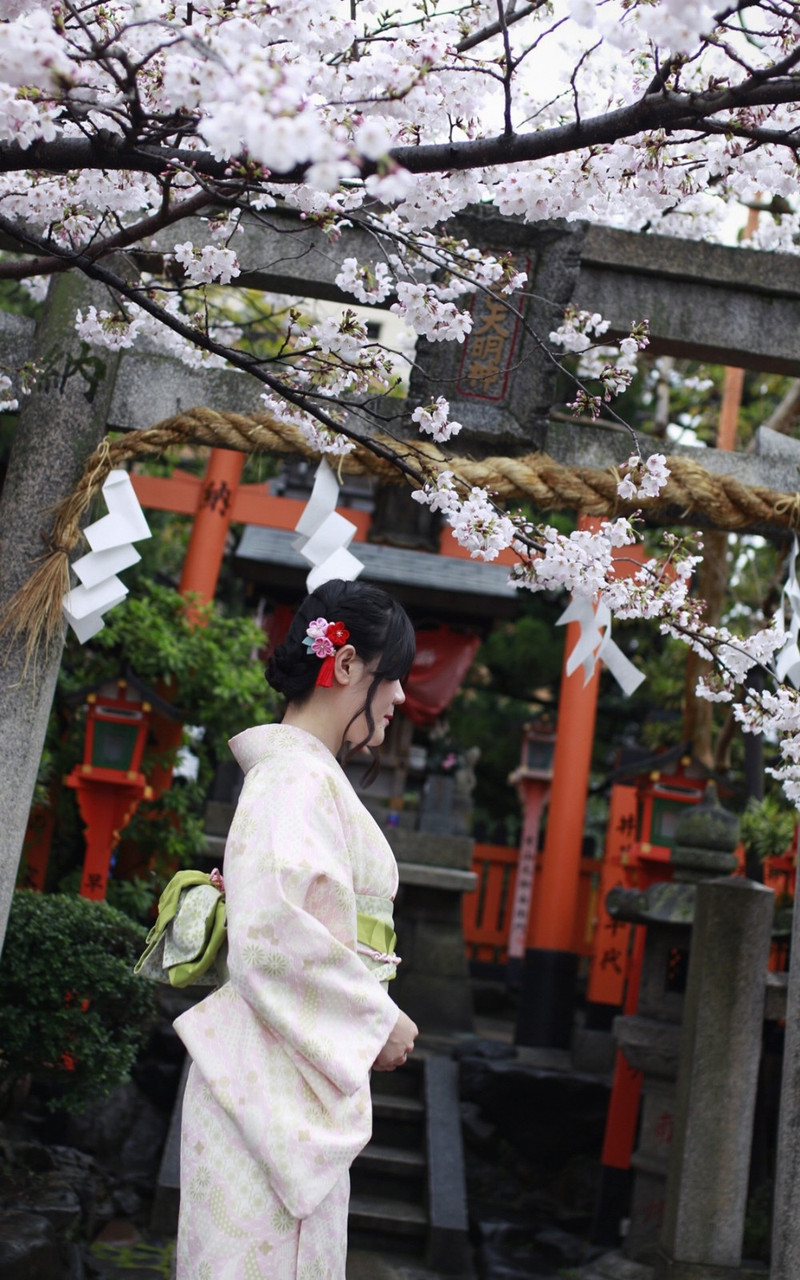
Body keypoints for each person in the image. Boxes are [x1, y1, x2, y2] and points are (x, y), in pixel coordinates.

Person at [173, 578, 419, 1280]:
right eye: (392, 676)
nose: (400, 698)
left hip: (285, 1078)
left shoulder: (301, 778)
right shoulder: (293, 782)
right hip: (272, 1084)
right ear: (346, 668)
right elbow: (273, 937)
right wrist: (375, 1020)